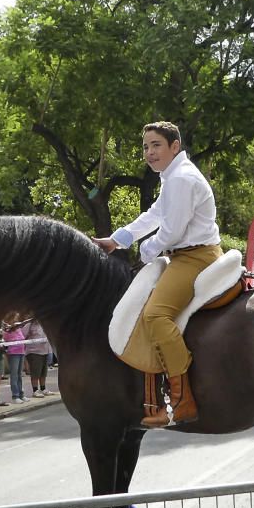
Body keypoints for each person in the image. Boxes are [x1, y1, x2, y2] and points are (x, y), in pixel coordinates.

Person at [92, 121, 221, 428]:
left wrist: (146, 250)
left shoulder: (181, 178)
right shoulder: (173, 177)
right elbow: (154, 215)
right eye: (146, 147)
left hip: (194, 257)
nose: (149, 152)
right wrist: (118, 239)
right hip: (186, 256)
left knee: (155, 316)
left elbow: (172, 230)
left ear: (174, 146)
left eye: (156, 145)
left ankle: (182, 400)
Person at [22, 320, 54, 398]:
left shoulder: (44, 324)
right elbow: (22, 337)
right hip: (34, 352)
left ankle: (43, 388)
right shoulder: (28, 325)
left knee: (43, 372)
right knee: (35, 372)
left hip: (45, 350)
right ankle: (35, 390)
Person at [3, 323, 28, 404]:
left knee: (19, 374)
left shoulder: (19, 329)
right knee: (14, 375)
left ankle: (21, 394)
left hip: (21, 352)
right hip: (13, 353)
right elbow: (5, 340)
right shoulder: (7, 330)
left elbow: (23, 338)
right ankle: (15, 396)